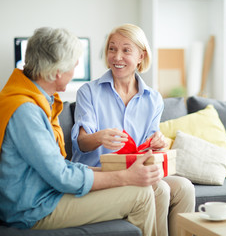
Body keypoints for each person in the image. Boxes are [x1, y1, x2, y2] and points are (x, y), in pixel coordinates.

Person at [0, 27, 159, 236]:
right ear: (58, 71)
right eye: (74, 66)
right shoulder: (26, 111)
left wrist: (120, 174)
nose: (75, 73)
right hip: (33, 208)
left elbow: (58, 167)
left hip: (45, 195)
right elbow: (62, 177)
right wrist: (126, 177)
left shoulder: (30, 100)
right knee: (142, 195)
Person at [71, 24, 195, 236]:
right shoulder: (88, 92)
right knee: (160, 189)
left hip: (135, 169)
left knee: (185, 187)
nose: (117, 57)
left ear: (141, 56)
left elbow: (148, 150)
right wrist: (100, 137)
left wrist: (158, 142)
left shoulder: (153, 99)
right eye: (112, 49)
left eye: (126, 50)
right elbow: (82, 142)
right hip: (101, 174)